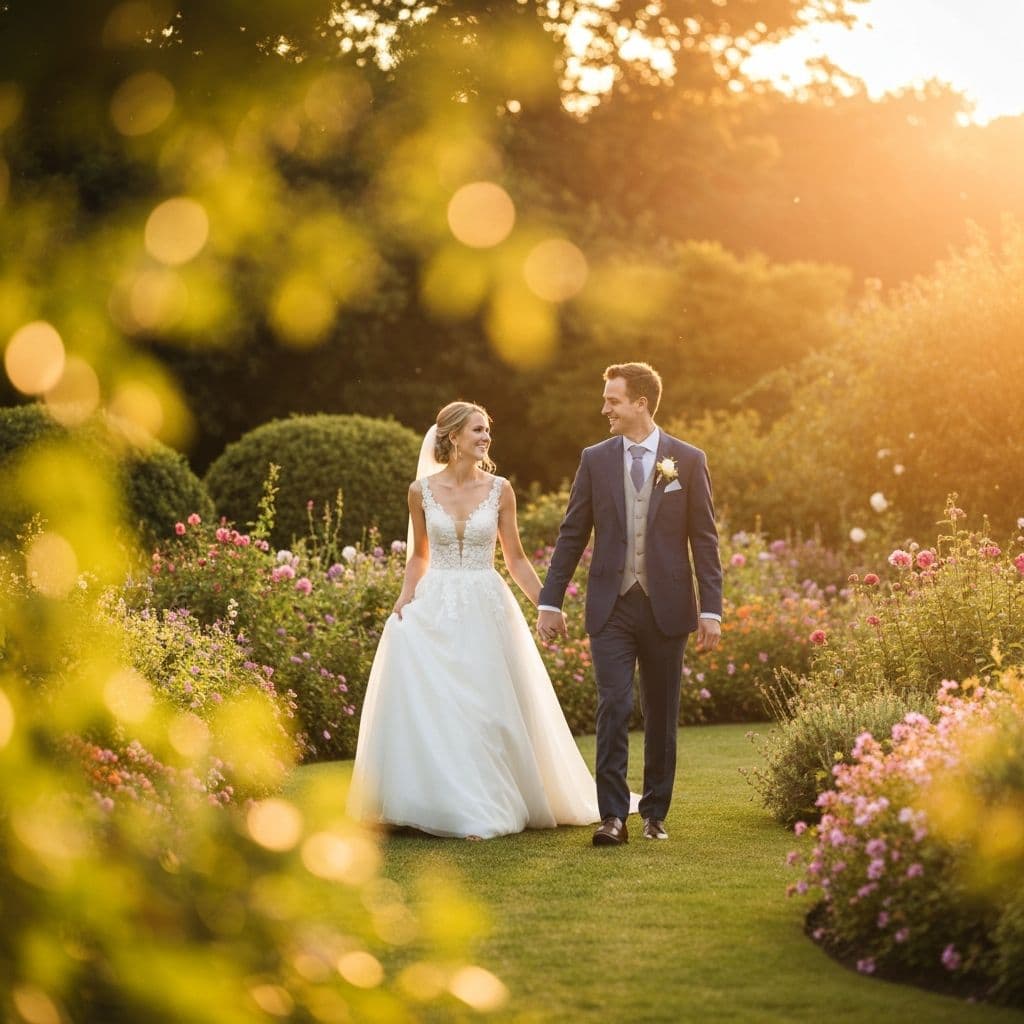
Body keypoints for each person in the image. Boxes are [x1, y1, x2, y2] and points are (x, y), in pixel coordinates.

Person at [347, 401, 601, 839]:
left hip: (486, 604)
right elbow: (419, 556)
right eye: (478, 430)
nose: (486, 437)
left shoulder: (501, 489)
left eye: (487, 430)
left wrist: (547, 604)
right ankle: (448, 803)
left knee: (487, 707)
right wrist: (404, 598)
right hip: (437, 602)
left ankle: (488, 803)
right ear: (453, 437)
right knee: (444, 704)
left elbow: (515, 558)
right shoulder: (420, 491)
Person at [537, 362, 723, 846]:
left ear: (641, 403)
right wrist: (550, 600)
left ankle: (655, 813)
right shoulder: (594, 459)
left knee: (661, 713)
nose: (605, 409)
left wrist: (711, 609)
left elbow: (704, 540)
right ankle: (613, 817)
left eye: (613, 400)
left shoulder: (688, 459)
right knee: (614, 705)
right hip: (611, 606)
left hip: (667, 607)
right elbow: (572, 534)